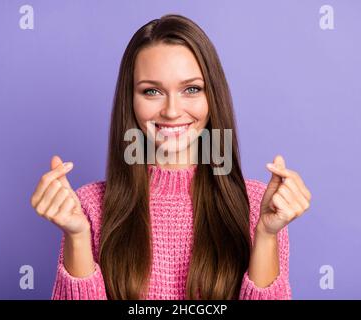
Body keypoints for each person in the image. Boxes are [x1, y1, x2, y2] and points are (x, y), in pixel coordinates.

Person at [30, 14, 312, 300]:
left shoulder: (257, 206)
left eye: (191, 89)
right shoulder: (89, 208)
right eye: (151, 91)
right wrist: (77, 237)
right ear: (131, 100)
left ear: (213, 96)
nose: (172, 111)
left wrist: (265, 234)